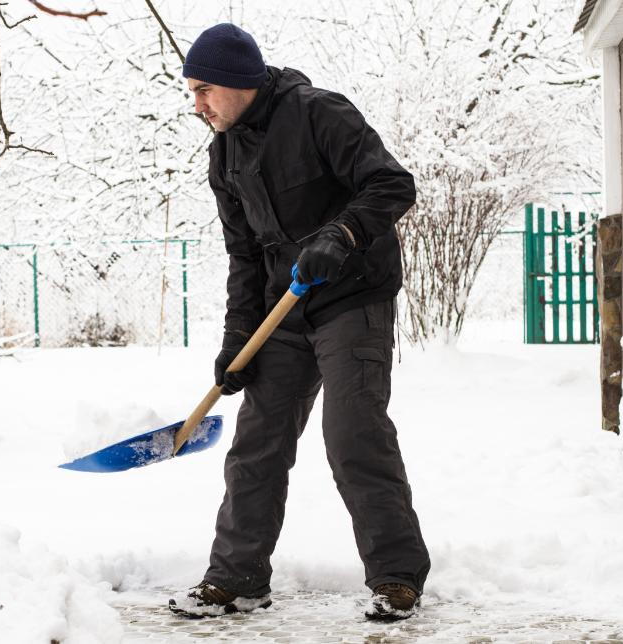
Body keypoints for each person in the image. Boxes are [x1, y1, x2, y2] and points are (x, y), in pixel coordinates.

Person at [166, 23, 430, 622]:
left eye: (204, 90)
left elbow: (392, 184)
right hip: (283, 309)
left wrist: (343, 233)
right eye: (192, 92)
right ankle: (236, 579)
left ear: (238, 80)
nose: (197, 105)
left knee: (353, 432)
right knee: (256, 443)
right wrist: (238, 339)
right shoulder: (224, 154)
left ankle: (396, 576)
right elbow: (243, 256)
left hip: (352, 297)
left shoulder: (318, 114)